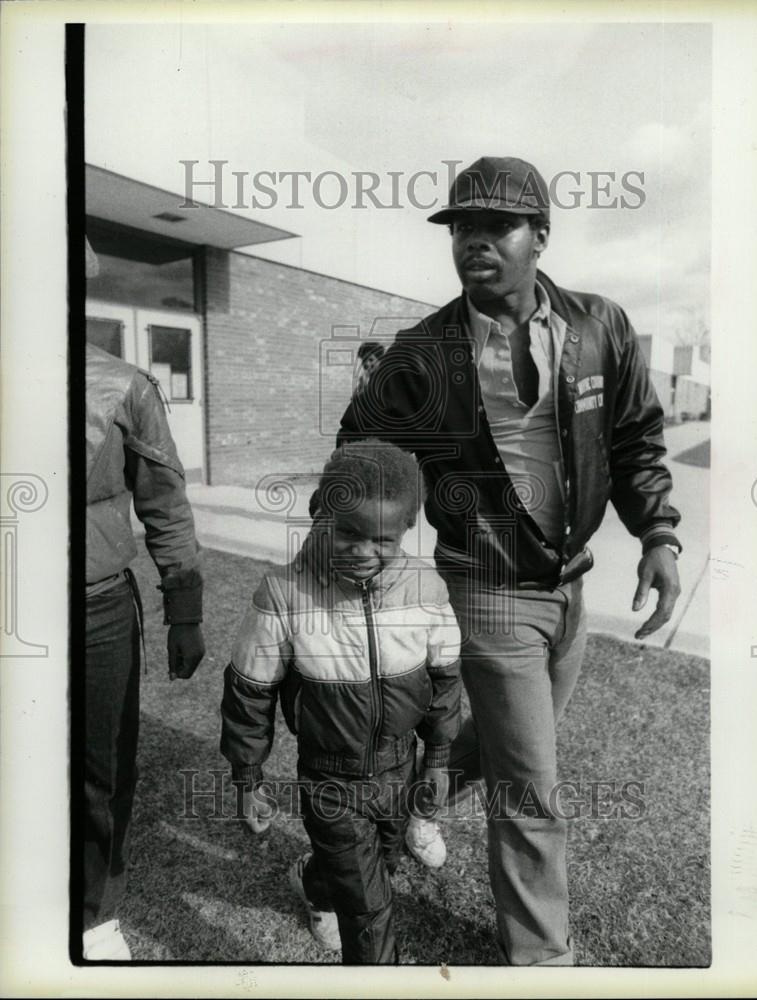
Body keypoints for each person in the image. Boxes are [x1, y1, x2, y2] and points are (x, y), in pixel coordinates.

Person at [336, 156, 682, 965]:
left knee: (492, 751)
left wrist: (659, 534)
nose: (472, 242)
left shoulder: (599, 326)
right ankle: (539, 959)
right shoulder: (422, 353)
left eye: (494, 226)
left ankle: (363, 844)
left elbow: (635, 440)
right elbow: (359, 448)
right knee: (531, 786)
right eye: (461, 228)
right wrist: (381, 537)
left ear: (540, 238)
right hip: (487, 587)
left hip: (570, 585)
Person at [219, 440, 461, 963]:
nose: (363, 551)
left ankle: (315, 878)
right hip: (330, 779)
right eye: (347, 532)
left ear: (405, 531)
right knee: (369, 912)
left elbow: (445, 680)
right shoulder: (284, 594)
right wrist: (247, 777)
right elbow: (249, 691)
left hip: (401, 768)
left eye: (383, 540)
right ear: (319, 514)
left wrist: (438, 760)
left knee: (384, 863)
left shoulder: (427, 588)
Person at [83, 238, 206, 960]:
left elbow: (166, 502)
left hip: (96, 608)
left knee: (100, 769)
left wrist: (183, 612)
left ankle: (94, 913)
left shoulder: (123, 386)